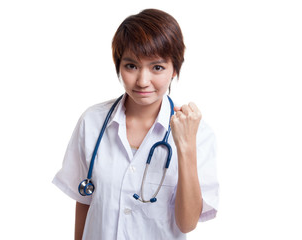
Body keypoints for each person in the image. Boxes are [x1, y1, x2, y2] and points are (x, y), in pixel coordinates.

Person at [53, 8, 219, 240]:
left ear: (174, 70)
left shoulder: (198, 134)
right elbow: (84, 200)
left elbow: (187, 223)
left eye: (157, 67)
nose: (142, 81)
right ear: (119, 65)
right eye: (131, 66)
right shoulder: (92, 122)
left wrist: (186, 146)